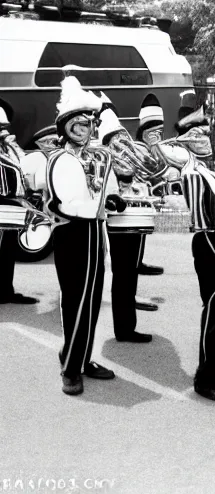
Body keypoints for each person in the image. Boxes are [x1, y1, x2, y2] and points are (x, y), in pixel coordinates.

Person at [46, 76, 118, 396]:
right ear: (65, 127)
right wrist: (99, 207)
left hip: (91, 234)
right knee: (76, 301)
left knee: (90, 301)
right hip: (73, 235)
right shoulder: (62, 159)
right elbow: (72, 204)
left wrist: (109, 201)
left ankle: (83, 357)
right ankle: (70, 369)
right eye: (79, 123)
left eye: (90, 123)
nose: (86, 128)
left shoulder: (87, 158)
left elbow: (100, 195)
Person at [164, 108, 215, 402]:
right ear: (187, 141)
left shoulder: (202, 169)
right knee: (214, 310)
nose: (207, 139)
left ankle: (213, 368)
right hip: (210, 242)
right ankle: (204, 377)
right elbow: (203, 218)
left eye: (207, 133)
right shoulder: (193, 173)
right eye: (200, 135)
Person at [98, 97, 154, 342]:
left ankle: (126, 326)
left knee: (128, 274)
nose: (121, 143)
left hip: (134, 219)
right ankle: (124, 329)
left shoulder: (126, 155)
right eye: (116, 140)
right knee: (123, 275)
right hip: (117, 223)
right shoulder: (103, 159)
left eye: (122, 138)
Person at [0, 103, 39, 305]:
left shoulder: (8, 149)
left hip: (11, 206)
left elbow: (23, 167)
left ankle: (6, 291)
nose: (4, 131)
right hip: (3, 202)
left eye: (4, 127)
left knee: (8, 251)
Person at [134, 96, 168, 277]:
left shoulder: (150, 149)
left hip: (146, 198)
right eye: (156, 132)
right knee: (138, 232)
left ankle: (138, 261)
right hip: (137, 199)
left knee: (142, 232)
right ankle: (136, 263)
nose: (159, 137)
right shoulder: (140, 149)